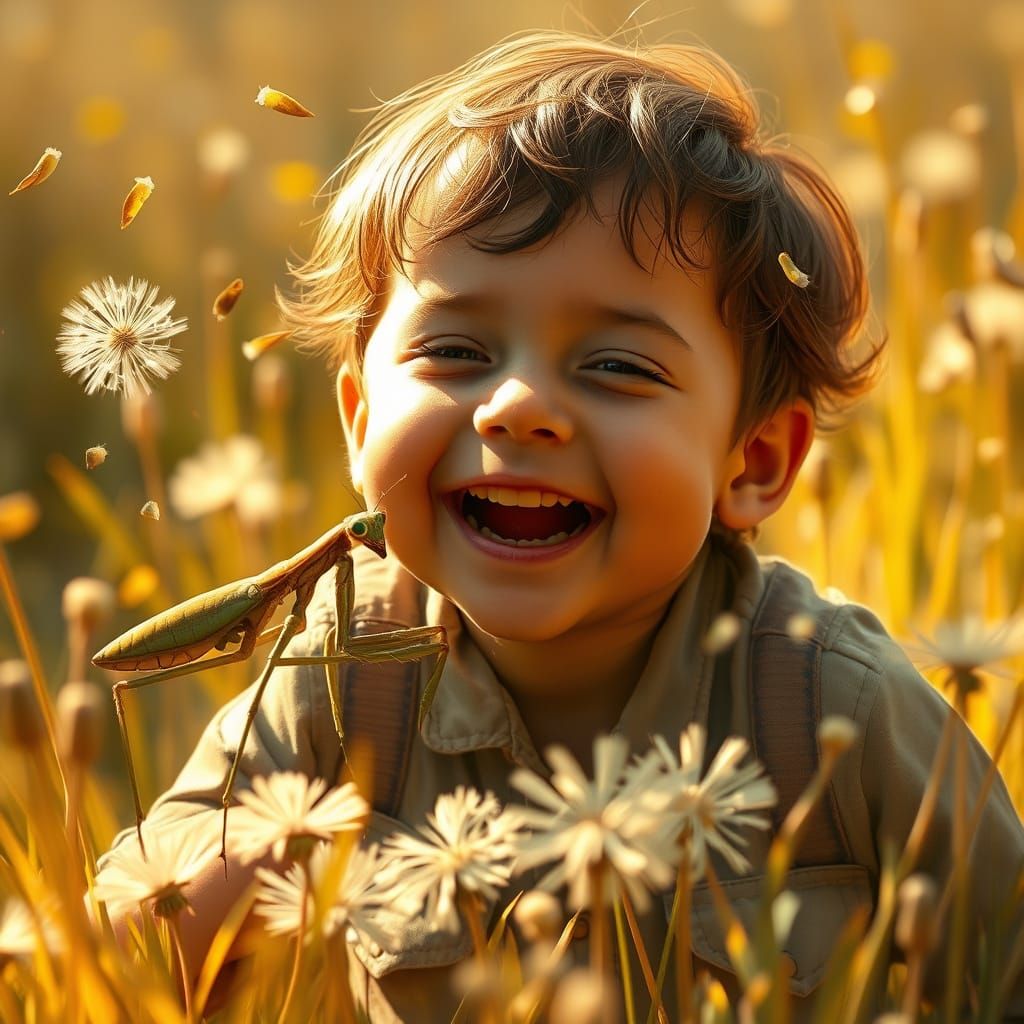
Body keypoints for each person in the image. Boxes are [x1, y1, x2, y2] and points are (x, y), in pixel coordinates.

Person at [99, 29, 1024, 1022]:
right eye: (455, 349)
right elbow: (124, 926)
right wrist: (190, 907)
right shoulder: (342, 677)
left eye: (619, 365)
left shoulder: (829, 703)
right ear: (359, 422)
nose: (515, 406)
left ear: (753, 461)